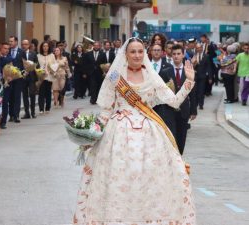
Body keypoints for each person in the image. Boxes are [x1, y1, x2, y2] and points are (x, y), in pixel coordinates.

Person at [73, 37, 196, 224]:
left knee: (149, 181)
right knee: (118, 180)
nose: (137, 55)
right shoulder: (115, 76)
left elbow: (174, 101)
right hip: (118, 135)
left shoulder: (152, 76)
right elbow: (106, 109)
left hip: (149, 133)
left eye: (140, 51)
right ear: (125, 54)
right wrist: (91, 133)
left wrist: (189, 81)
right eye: (133, 51)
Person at [157, 44, 197, 155]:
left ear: (183, 54)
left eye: (178, 54)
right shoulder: (165, 71)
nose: (176, 56)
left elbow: (193, 92)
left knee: (181, 138)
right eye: (174, 54)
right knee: (171, 137)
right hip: (169, 111)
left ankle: (180, 159)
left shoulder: (188, 71)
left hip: (184, 110)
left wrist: (193, 110)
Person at [21, 39, 39, 119]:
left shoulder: (33, 53)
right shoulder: (20, 54)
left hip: (32, 77)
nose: (24, 46)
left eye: (26, 44)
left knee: (32, 95)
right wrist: (23, 72)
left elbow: (37, 64)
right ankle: (27, 113)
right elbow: (18, 65)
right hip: (24, 78)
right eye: (23, 44)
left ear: (29, 45)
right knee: (25, 96)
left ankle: (33, 112)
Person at [8, 36, 24, 123]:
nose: (10, 43)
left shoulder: (21, 52)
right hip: (9, 78)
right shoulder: (7, 52)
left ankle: (16, 115)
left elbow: (24, 64)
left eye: (12, 41)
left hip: (18, 78)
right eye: (9, 41)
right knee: (10, 97)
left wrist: (23, 73)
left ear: (16, 42)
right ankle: (11, 115)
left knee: (17, 96)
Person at [192, 43, 212, 110]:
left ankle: (201, 104)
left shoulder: (206, 56)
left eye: (199, 47)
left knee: (201, 91)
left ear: (202, 48)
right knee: (195, 91)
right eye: (197, 48)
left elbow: (209, 67)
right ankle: (196, 103)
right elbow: (191, 67)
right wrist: (194, 64)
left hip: (202, 76)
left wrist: (210, 77)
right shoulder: (194, 56)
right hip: (195, 76)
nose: (198, 49)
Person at [0, 42, 13, 129]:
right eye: (5, 48)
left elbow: (12, 70)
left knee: (5, 103)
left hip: (6, 84)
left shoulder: (10, 59)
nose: (6, 50)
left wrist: (10, 76)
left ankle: (3, 122)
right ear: (1, 48)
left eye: (8, 49)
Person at [37, 41, 53, 114]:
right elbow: (36, 66)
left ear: (49, 47)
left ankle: (47, 108)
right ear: (41, 47)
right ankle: (41, 108)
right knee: (41, 93)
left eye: (46, 46)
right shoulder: (38, 56)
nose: (45, 47)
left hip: (49, 76)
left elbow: (54, 65)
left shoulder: (52, 55)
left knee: (48, 93)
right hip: (41, 77)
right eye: (44, 46)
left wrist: (51, 71)